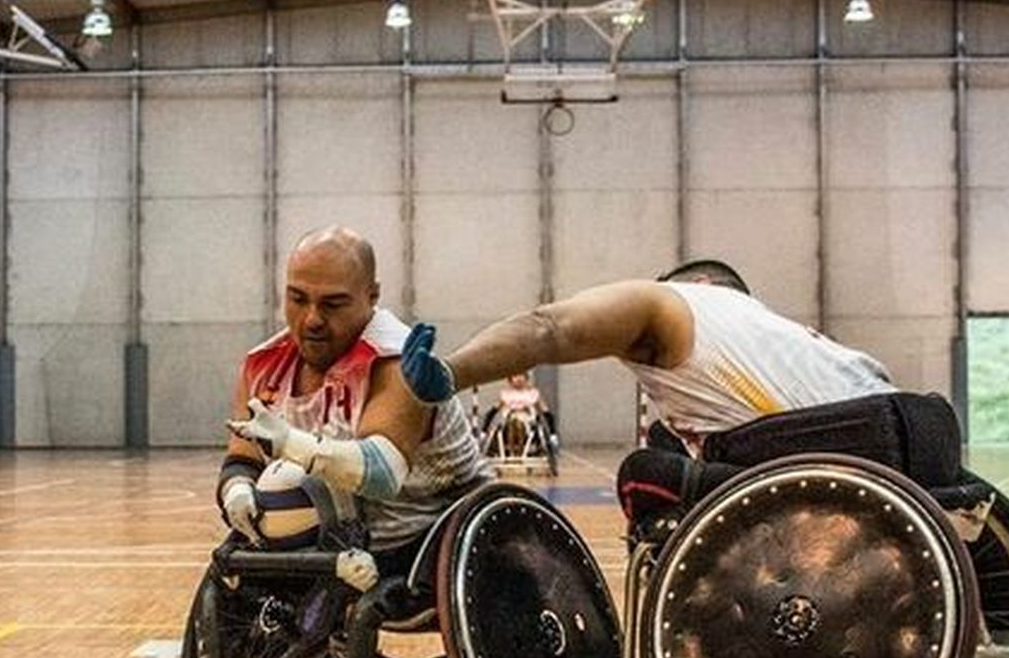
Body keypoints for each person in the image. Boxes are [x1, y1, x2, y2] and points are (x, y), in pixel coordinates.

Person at [396, 260, 960, 525]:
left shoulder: (671, 305)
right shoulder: (798, 338)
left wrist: (452, 372)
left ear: (696, 286)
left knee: (646, 469)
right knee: (676, 437)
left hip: (823, 465)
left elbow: (548, 328)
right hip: (920, 442)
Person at [217, 226, 484, 567]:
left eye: (333, 303)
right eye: (298, 299)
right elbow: (242, 459)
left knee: (298, 482)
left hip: (426, 539)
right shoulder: (263, 365)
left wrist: (291, 443)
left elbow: (382, 474)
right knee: (233, 561)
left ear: (372, 296)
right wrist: (236, 490)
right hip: (337, 536)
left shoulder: (399, 359)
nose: (312, 319)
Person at [482, 371, 558, 454]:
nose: (518, 379)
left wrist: (552, 433)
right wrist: (484, 431)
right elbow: (493, 411)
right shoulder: (505, 394)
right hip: (508, 421)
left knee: (522, 423)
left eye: (521, 375)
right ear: (510, 379)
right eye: (515, 376)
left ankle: (522, 449)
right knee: (512, 422)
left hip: (528, 423)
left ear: (526, 378)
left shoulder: (533, 393)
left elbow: (545, 412)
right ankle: (511, 451)